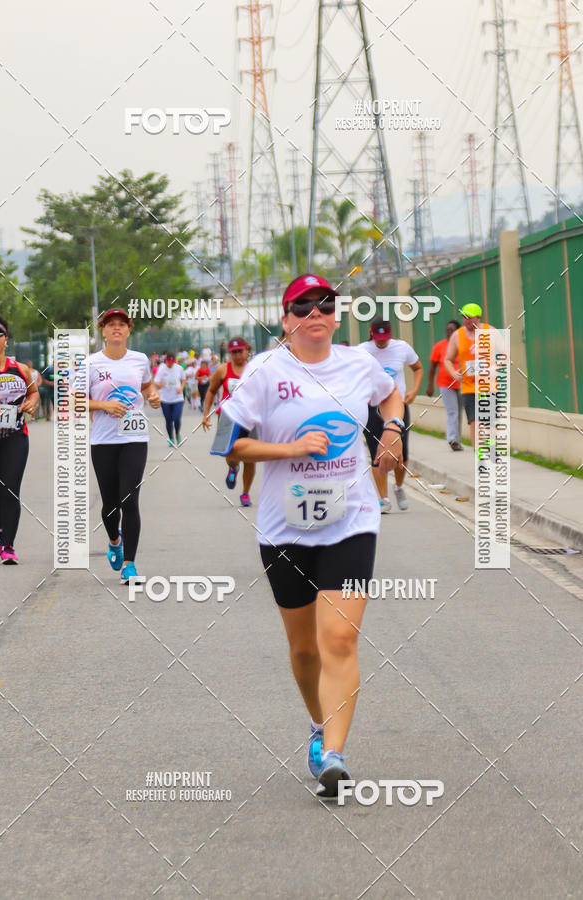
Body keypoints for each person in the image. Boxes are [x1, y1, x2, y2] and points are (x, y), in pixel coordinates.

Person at [217, 274, 403, 799]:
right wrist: (290, 449)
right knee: (303, 651)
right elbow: (227, 445)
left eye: (326, 304)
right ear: (286, 317)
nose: (315, 312)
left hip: (352, 518)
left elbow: (391, 398)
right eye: (303, 305)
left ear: (336, 316)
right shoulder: (264, 372)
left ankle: (336, 756)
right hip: (284, 528)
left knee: (339, 638)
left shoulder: (359, 363)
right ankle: (320, 727)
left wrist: (392, 430)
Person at [73, 308, 160, 584]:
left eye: (122, 324)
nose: (117, 328)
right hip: (103, 440)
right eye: (111, 325)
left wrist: (153, 395)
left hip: (134, 438)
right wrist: (103, 405)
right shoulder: (91, 364)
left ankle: (130, 565)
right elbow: (75, 401)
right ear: (103, 330)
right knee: (110, 504)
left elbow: (146, 386)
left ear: (129, 329)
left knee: (129, 500)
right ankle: (114, 540)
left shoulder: (139, 360)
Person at [0, 316, 39, 564]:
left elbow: (34, 392)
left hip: (15, 437)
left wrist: (32, 404)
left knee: (9, 490)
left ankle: (8, 547)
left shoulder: (21, 369)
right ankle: (2, 529)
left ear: (6, 339)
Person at [359, 317, 423, 513]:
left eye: (384, 337)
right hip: (371, 408)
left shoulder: (401, 347)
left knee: (401, 457)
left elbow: (418, 368)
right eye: (378, 338)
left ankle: (399, 487)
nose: (381, 341)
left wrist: (414, 390)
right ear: (371, 332)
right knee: (376, 455)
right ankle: (384, 499)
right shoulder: (361, 351)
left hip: (399, 407)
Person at [202, 337, 256, 507]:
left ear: (247, 350)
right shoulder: (223, 370)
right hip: (228, 416)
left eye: (240, 351)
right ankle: (233, 468)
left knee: (250, 456)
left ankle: (245, 493)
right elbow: (211, 392)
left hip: (250, 417)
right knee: (231, 454)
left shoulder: (255, 369)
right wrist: (206, 414)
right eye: (233, 352)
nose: (237, 355)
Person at [444, 303, 494, 447]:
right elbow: (448, 359)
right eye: (464, 317)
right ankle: (479, 455)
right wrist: (453, 372)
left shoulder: (490, 331)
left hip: (489, 385)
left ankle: (491, 450)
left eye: (470, 317)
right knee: (474, 421)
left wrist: (494, 368)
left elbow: (504, 355)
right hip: (468, 387)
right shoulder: (457, 335)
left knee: (489, 424)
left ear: (478, 317)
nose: (466, 320)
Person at [426, 320, 463, 450]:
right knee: (452, 411)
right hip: (445, 384)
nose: (449, 332)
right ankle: (452, 438)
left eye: (452, 330)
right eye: (447, 330)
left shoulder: (464, 345)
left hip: (462, 384)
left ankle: (457, 441)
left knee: (459, 412)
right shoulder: (439, 346)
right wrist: (430, 385)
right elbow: (432, 368)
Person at [154, 353, 185, 445]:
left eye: (172, 362)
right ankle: (171, 438)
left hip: (177, 398)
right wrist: (160, 384)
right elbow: (155, 382)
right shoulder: (161, 368)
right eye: (169, 362)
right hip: (165, 399)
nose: (170, 364)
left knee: (176, 418)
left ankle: (177, 434)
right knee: (168, 420)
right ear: (166, 361)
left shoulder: (179, 368)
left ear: (174, 361)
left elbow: (184, 379)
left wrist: (181, 388)